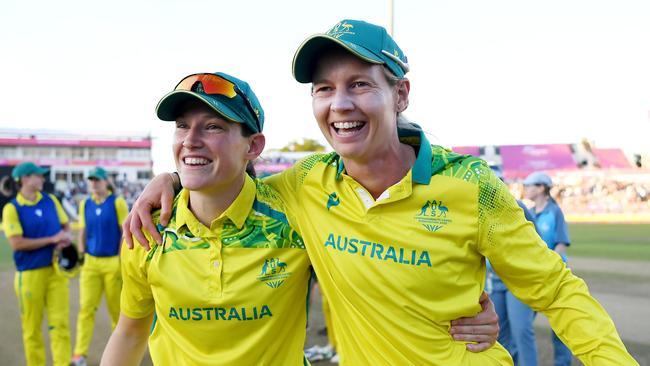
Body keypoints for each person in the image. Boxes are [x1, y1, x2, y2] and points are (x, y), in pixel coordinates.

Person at [125, 19, 638, 365]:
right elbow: (224, 177)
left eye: (360, 84)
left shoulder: (471, 185)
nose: (340, 104)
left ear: (400, 93)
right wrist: (169, 179)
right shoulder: (305, 186)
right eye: (324, 89)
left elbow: (556, 290)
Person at [103, 71, 498, 366]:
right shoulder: (149, 228)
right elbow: (130, 329)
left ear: (253, 146)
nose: (191, 140)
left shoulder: (295, 214)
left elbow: (388, 254)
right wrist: (170, 179)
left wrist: (462, 308)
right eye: (182, 127)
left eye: (214, 127)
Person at [1, 162, 73, 366]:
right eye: (38, 176)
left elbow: (65, 226)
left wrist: (65, 237)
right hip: (30, 275)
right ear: (24, 179)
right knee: (32, 330)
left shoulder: (50, 200)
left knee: (60, 326)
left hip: (56, 272)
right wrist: (52, 239)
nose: (43, 179)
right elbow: (17, 243)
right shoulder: (11, 208)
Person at [71, 167, 128, 366]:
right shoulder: (85, 203)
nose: (93, 183)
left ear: (106, 182)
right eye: (91, 180)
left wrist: (122, 261)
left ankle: (120, 354)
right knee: (86, 309)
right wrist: (81, 255)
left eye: (97, 180)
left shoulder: (117, 202)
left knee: (116, 311)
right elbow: (82, 232)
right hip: (91, 263)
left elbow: (125, 232)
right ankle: (79, 355)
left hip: (113, 262)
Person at [486, 167, 539, 366]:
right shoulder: (473, 209)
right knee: (498, 335)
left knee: (522, 331)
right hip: (493, 282)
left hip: (518, 281)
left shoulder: (516, 206)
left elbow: (537, 241)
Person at [523, 171, 572, 366]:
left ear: (541, 187)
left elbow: (561, 244)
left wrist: (548, 267)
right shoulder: (530, 212)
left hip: (552, 276)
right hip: (533, 277)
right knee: (523, 324)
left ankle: (562, 363)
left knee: (559, 327)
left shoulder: (555, 212)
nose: (526, 188)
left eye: (529, 185)